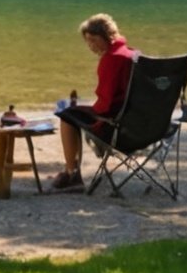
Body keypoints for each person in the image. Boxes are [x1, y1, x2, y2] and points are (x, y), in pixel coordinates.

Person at [52, 12, 139, 192]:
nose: (90, 45)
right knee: (74, 111)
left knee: (67, 115)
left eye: (93, 40)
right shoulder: (134, 55)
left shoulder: (111, 59)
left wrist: (86, 110)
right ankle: (72, 172)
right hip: (140, 125)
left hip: (115, 127)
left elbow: (105, 106)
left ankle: (72, 173)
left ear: (107, 36)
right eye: (87, 41)